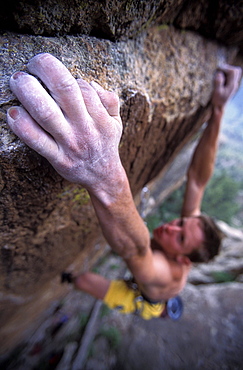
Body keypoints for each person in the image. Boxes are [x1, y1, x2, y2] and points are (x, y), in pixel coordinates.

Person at [7, 53, 242, 320]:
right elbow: (198, 180)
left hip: (141, 298)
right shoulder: (192, 238)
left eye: (180, 237)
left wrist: (101, 171)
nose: (171, 227)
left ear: (183, 260)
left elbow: (136, 248)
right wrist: (219, 109)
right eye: (181, 223)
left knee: (84, 282)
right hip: (161, 275)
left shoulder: (163, 275)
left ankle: (69, 280)